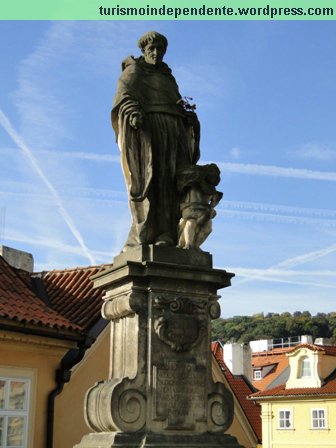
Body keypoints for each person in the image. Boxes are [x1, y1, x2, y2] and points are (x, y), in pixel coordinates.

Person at [112, 31, 200, 251]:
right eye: (151, 49)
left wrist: (187, 118)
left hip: (173, 134)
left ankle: (166, 233)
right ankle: (146, 232)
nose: (155, 53)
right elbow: (124, 97)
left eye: (160, 49)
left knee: (171, 185)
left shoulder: (167, 77)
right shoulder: (134, 71)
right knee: (151, 182)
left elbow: (177, 104)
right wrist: (132, 113)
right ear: (144, 50)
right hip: (149, 135)